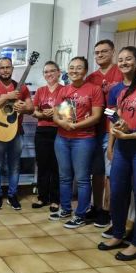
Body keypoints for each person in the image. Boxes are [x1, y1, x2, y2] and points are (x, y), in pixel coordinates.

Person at [98, 51, 136, 261]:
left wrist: (130, 135)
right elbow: (115, 117)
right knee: (117, 193)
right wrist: (113, 141)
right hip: (122, 148)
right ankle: (118, 234)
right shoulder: (126, 92)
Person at [50, 56, 103, 229]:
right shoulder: (64, 90)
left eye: (79, 68)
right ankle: (65, 209)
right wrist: (62, 123)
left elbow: (96, 117)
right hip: (62, 138)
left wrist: (75, 126)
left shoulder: (94, 89)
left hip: (84, 140)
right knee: (64, 177)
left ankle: (80, 214)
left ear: (85, 70)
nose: (74, 71)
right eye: (71, 68)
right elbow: (57, 114)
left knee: (81, 179)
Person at [0, 57, 34, 210]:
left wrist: (23, 107)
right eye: (2, 68)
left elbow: (31, 108)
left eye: (8, 67)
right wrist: (6, 97)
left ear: (12, 69)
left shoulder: (22, 88)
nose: (5, 70)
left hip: (16, 132)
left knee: (15, 166)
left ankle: (12, 196)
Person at [102, 46, 136, 239]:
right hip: (120, 143)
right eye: (121, 59)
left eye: (129, 59)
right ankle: (117, 226)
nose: (124, 63)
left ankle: (133, 227)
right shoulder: (116, 89)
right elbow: (110, 115)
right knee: (118, 189)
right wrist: (110, 145)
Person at [86, 39, 123, 228]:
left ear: (112, 52)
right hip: (93, 131)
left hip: (112, 132)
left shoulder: (120, 73)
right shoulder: (91, 77)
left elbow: (116, 107)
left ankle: (107, 211)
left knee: (110, 173)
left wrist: (107, 113)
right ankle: (96, 206)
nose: (100, 55)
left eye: (104, 52)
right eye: (97, 52)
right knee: (96, 172)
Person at [31, 61, 62, 212]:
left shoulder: (65, 90)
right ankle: (42, 197)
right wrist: (42, 114)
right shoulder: (40, 91)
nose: (49, 74)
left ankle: (55, 199)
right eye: (46, 72)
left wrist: (55, 112)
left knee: (56, 166)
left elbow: (70, 111)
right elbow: (34, 111)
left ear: (58, 72)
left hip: (59, 131)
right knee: (42, 165)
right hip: (42, 131)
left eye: (52, 71)